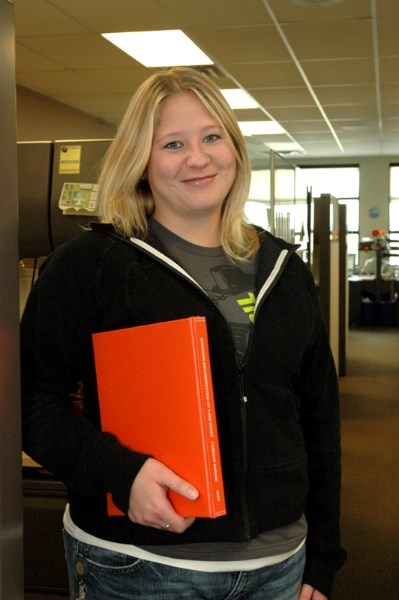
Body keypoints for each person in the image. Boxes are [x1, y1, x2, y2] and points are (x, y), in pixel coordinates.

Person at [21, 66, 346, 600]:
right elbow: (30, 401)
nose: (198, 158)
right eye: (172, 143)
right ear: (142, 164)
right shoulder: (91, 266)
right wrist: (119, 473)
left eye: (212, 137)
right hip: (139, 565)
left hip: (280, 564)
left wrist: (324, 557)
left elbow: (317, 417)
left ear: (235, 150)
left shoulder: (283, 270)